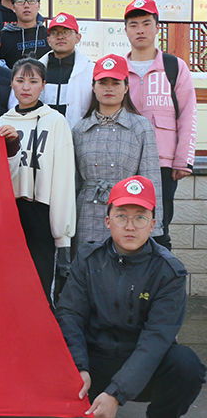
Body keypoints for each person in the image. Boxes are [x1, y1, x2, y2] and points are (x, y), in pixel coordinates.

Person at [56, 175, 206, 418]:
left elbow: (156, 339)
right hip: (94, 361)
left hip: (142, 364)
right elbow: (70, 315)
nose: (130, 226)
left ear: (153, 224)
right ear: (108, 221)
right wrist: (79, 367)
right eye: (121, 216)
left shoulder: (169, 272)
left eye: (140, 217)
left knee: (186, 365)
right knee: (49, 352)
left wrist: (116, 393)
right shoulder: (88, 259)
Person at [0, 58, 76, 308]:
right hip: (10, 212)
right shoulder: (0, 123)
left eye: (33, 81)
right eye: (20, 80)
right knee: (9, 280)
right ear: (11, 84)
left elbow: (63, 177)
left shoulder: (55, 121)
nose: (26, 87)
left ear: (43, 85)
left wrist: (62, 233)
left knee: (41, 282)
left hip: (41, 209)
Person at [124, 0, 198, 251]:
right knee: (124, 222)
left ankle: (159, 275)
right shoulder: (118, 69)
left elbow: (187, 115)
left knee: (159, 225)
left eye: (146, 23)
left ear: (157, 27)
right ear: (126, 30)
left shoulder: (174, 66)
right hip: (124, 160)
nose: (140, 30)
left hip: (163, 163)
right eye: (134, 25)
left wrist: (183, 160)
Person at [72, 53, 163, 248]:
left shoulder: (141, 127)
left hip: (127, 213)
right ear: (93, 87)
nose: (109, 88)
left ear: (126, 87)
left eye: (115, 83)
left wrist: (153, 227)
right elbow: (73, 184)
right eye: (102, 82)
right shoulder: (79, 129)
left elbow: (151, 179)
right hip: (86, 214)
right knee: (87, 263)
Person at [39, 12, 95, 128]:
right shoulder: (38, 69)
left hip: (77, 134)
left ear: (78, 38)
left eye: (66, 32)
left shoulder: (90, 70)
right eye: (55, 33)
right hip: (43, 134)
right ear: (48, 40)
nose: (60, 37)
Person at [0, 0, 49, 68]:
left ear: (39, 5)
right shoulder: (2, 37)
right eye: (20, 1)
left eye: (31, 1)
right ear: (13, 7)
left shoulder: (49, 35)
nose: (26, 6)